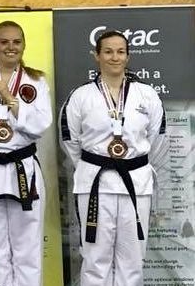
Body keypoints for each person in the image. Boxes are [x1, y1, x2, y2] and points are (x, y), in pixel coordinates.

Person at [59, 30, 166, 286]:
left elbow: (158, 140)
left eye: (120, 51)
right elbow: (70, 140)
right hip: (95, 183)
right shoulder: (80, 96)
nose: (114, 57)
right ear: (96, 55)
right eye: (107, 51)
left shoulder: (146, 95)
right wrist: (93, 166)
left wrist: (134, 163)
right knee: (95, 258)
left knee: (133, 258)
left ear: (128, 56)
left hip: (135, 183)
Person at [0, 21, 52, 286]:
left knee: (27, 243)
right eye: (4, 42)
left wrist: (9, 97)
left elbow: (40, 125)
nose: (10, 47)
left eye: (16, 42)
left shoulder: (36, 81)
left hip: (22, 168)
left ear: (24, 45)